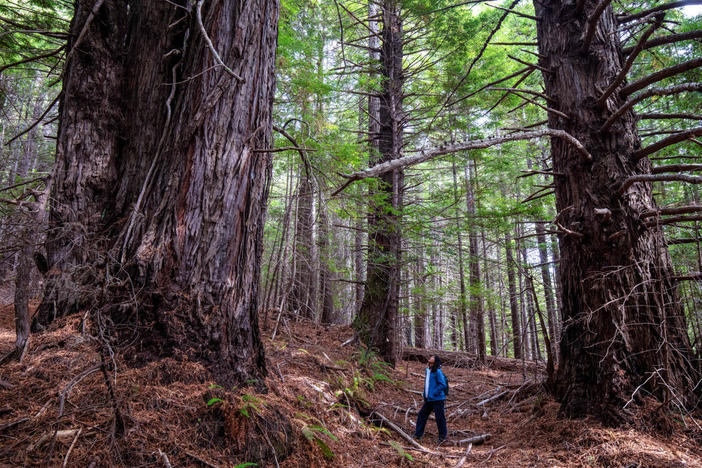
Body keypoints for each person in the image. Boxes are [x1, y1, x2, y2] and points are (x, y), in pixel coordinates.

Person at [413, 355, 448, 443]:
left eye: (433, 357)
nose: (430, 358)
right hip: (429, 399)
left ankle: (442, 437)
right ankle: (418, 435)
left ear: (435, 361)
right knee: (422, 415)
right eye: (430, 357)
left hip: (438, 399)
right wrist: (425, 394)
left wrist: (433, 393)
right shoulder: (428, 370)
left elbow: (442, 384)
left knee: (440, 418)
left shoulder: (438, 371)